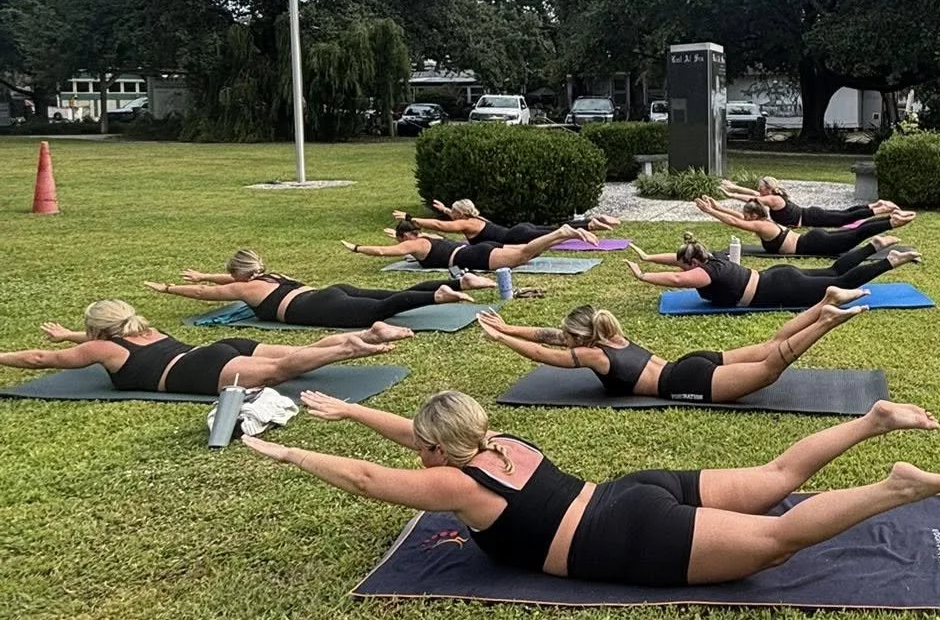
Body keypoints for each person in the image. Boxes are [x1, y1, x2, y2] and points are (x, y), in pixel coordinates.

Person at [243, 389, 940, 585]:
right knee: (780, 478)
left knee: (776, 544)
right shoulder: (501, 443)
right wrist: (346, 410)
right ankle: (871, 422)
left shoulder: (460, 487)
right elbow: (416, 436)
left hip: (625, 536)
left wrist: (294, 455)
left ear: (438, 450)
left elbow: (372, 480)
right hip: (632, 491)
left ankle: (895, 487)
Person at [477, 298, 866, 403]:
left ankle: (826, 321)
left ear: (582, 339)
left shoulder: (595, 354)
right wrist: (509, 326)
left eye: (570, 338)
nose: (566, 341)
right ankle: (821, 306)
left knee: (768, 369)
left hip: (685, 380)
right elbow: (551, 336)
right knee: (769, 346)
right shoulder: (611, 334)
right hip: (691, 361)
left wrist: (502, 338)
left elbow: (547, 352)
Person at [0, 300, 397, 395]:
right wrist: (71, 334)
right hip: (217, 349)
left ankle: (350, 345)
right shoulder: (143, 329)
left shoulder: (101, 350)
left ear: (97, 332)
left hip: (197, 371)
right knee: (297, 355)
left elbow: (40, 359)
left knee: (284, 371)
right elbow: (99, 341)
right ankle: (363, 335)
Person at [140, 250, 479, 329]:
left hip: (319, 309)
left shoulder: (245, 291)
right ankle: (453, 281)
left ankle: (438, 295)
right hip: (329, 292)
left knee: (383, 309)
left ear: (238, 276)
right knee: (381, 295)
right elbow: (227, 281)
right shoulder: (270, 276)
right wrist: (202, 275)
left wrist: (170, 288)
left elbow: (206, 296)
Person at [626, 235, 920, 310]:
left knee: (840, 281)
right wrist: (647, 256)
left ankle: (890, 261)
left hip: (777, 289)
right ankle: (874, 247)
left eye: (683, 264)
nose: (680, 267)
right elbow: (678, 263)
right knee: (833, 270)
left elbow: (679, 278)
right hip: (776, 276)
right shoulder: (709, 256)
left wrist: (643, 277)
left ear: (693, 263)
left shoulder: (704, 273)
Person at [693, 194, 916, 259]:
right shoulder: (764, 220)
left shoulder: (762, 227)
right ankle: (890, 219)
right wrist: (716, 206)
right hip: (812, 239)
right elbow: (735, 216)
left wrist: (710, 211)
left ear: (753, 216)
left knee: (854, 233)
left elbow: (734, 221)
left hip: (813, 242)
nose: (743, 217)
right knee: (852, 231)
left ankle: (891, 221)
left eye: (746, 215)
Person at [343, 218, 587, 277]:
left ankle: (560, 233)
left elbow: (384, 252)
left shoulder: (413, 244)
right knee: (525, 253)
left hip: (472, 257)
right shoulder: (425, 238)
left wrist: (356, 248)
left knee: (522, 255)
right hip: (477, 250)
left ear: (404, 236)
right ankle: (560, 236)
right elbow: (432, 228)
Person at [393, 200, 623, 244]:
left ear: (460, 216)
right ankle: (591, 222)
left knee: (558, 233)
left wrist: (410, 218)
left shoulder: (466, 224)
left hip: (516, 237)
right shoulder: (475, 218)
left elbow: (442, 226)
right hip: (518, 230)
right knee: (554, 229)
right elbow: (451, 217)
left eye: (453, 213)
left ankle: (590, 225)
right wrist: (445, 208)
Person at [718, 176, 904, 229]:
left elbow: (752, 198)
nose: (758, 190)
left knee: (843, 218)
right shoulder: (772, 196)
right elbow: (750, 193)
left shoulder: (773, 199)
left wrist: (730, 195)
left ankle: (880, 209)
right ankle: (877, 205)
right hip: (810, 215)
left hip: (810, 217)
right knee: (844, 214)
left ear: (768, 189)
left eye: (761, 188)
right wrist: (733, 188)